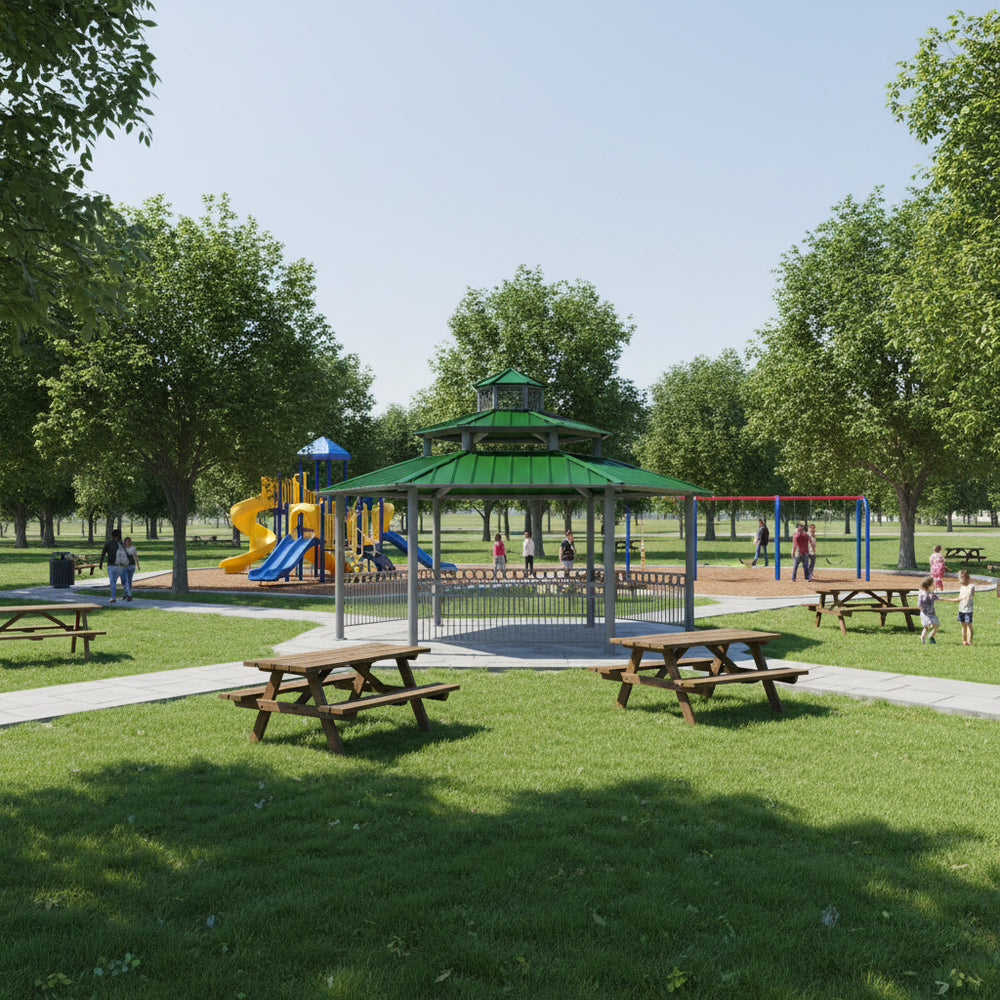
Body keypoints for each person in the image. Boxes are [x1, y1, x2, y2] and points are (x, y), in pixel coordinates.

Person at [98, 528, 128, 604]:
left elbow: (103, 553)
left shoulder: (108, 544)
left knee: (113, 582)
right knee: (124, 580)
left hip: (111, 565)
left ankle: (113, 597)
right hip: (120, 566)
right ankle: (126, 594)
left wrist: (101, 563)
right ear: (118, 536)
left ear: (112, 535)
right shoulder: (121, 544)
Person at [917, 575, 942, 644]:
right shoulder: (930, 593)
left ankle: (923, 638)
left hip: (924, 613)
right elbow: (937, 598)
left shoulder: (921, 592)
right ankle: (931, 636)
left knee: (925, 628)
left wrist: (920, 607)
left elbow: (919, 603)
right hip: (931, 613)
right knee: (936, 625)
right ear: (929, 585)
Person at [955, 568, 975, 645]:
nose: (959, 580)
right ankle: (964, 641)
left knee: (969, 624)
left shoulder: (971, 587)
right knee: (963, 626)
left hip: (968, 610)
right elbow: (960, 598)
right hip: (961, 609)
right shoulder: (962, 588)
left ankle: (969, 641)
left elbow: (970, 595)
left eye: (960, 578)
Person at [123, 536, 140, 602]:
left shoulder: (133, 548)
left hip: (131, 566)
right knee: (126, 580)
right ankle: (127, 593)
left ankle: (127, 593)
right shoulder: (123, 548)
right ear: (125, 542)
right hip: (125, 566)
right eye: (127, 541)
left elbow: (136, 556)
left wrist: (138, 565)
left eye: (129, 541)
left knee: (129, 580)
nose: (128, 542)